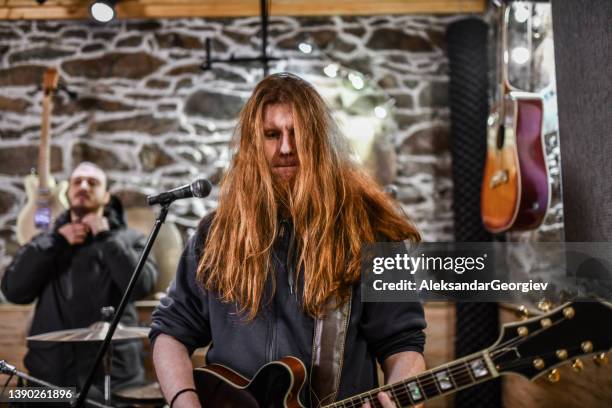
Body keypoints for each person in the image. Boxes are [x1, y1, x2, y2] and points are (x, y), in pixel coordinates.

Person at [150, 73, 427, 408]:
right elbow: (170, 332)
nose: (285, 148)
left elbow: (403, 344)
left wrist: (399, 396)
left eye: (297, 134)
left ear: (321, 141)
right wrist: (184, 402)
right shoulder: (215, 234)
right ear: (253, 145)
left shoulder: (372, 231)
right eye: (271, 135)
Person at [1, 162, 158, 398]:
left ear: (106, 196)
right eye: (77, 181)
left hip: (114, 378)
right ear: (68, 191)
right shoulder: (46, 240)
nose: (83, 186)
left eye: (92, 182)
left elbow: (143, 286)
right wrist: (56, 241)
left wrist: (107, 237)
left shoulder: (130, 239)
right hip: (49, 379)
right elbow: (13, 291)